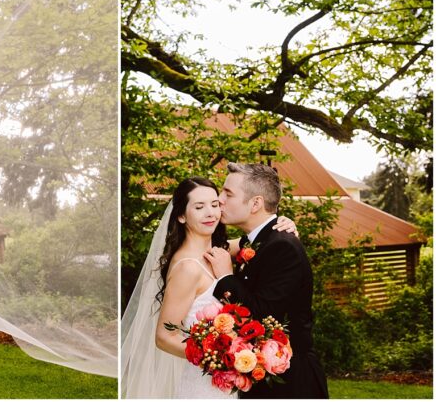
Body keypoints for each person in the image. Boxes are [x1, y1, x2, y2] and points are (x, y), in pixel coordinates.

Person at [121, 176, 298, 398]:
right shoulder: (187, 268)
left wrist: (283, 223)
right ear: (182, 216)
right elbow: (164, 337)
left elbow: (257, 238)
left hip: (225, 385)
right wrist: (221, 356)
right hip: (202, 385)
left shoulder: (219, 251)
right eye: (199, 206)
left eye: (214, 205)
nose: (211, 213)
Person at [204, 162, 329, 398]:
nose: (220, 200)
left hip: (290, 383)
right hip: (262, 378)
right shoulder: (259, 239)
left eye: (228, 193)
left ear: (255, 204)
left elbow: (263, 314)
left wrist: (226, 277)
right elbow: (217, 247)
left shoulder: (282, 246)